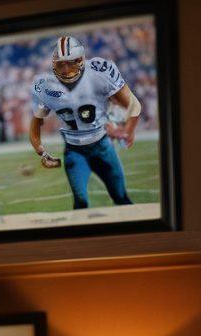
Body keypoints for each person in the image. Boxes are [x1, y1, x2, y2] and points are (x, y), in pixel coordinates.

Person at [28, 36, 141, 211]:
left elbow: (134, 104)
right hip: (74, 152)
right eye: (61, 64)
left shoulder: (98, 71)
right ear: (53, 64)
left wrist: (128, 129)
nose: (66, 70)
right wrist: (42, 153)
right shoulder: (44, 85)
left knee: (121, 197)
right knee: (80, 202)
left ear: (81, 59)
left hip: (102, 147)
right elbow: (35, 125)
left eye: (71, 63)